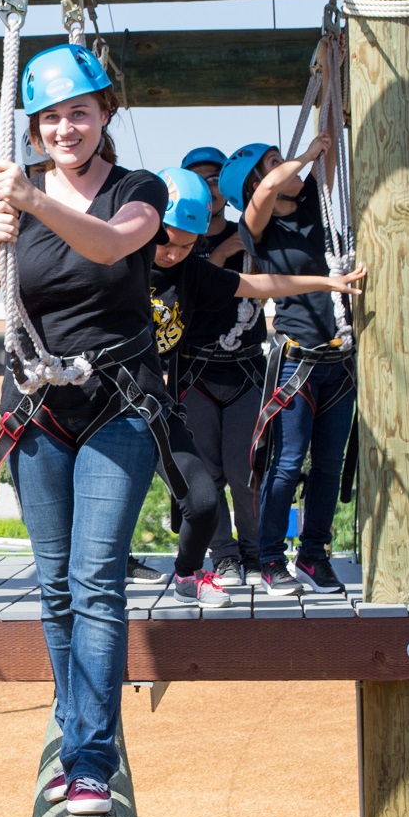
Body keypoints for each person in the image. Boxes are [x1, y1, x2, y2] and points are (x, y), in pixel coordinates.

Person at [0, 44, 168, 816]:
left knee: (95, 580)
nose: (64, 129)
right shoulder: (17, 199)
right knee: (55, 588)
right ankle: (75, 721)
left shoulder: (135, 189)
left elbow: (115, 244)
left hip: (118, 404)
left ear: (104, 115)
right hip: (38, 409)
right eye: (50, 118)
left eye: (78, 113)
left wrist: (35, 201)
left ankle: (89, 757)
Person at [149, 167, 364, 606]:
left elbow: (258, 283)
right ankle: (215, 559)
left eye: (186, 246)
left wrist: (326, 281)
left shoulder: (196, 271)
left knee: (218, 489)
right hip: (140, 390)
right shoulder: (118, 261)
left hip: (191, 385)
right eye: (165, 242)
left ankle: (196, 570)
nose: (173, 254)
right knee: (179, 484)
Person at [222, 135, 355, 596]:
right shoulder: (256, 230)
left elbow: (330, 158)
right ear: (258, 182)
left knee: (330, 465)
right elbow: (260, 198)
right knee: (287, 463)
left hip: (340, 358)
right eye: (275, 163)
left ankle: (314, 556)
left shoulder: (315, 203)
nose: (290, 168)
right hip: (298, 360)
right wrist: (305, 155)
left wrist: (328, 111)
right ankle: (272, 557)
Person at [172, 146, 262, 587]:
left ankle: (255, 551)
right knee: (208, 475)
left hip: (244, 369)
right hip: (197, 372)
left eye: (216, 179)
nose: (209, 189)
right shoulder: (177, 240)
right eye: (200, 180)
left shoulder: (252, 232)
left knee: (245, 471)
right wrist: (223, 252)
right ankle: (223, 553)